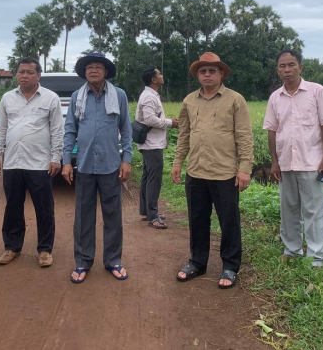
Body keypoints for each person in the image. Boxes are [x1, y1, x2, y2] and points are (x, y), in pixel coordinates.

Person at [171, 52, 254, 289]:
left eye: (212, 70)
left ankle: (230, 265)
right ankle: (197, 262)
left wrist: (245, 168)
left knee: (229, 221)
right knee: (197, 219)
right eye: (203, 71)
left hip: (225, 173)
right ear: (198, 75)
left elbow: (244, 136)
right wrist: (178, 162)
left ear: (221, 74)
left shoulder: (235, 100)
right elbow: (184, 135)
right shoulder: (189, 101)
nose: (207, 74)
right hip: (196, 171)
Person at [62, 52, 133, 284]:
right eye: (89, 67)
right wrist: (66, 161)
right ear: (85, 72)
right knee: (83, 217)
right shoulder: (77, 96)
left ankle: (113, 260)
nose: (93, 70)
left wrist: (127, 159)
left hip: (111, 165)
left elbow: (126, 129)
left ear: (106, 72)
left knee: (113, 216)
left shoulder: (118, 95)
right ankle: (83, 261)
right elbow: (70, 130)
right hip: (84, 166)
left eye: (98, 67)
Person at [263, 49, 323, 269]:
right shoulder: (275, 98)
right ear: (278, 70)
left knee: (314, 211)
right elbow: (272, 131)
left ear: (300, 67)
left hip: (311, 162)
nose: (287, 69)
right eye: (282, 66)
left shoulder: (316, 91)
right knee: (289, 209)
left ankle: (316, 257)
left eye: (291, 65)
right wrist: (274, 162)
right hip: (286, 162)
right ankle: (292, 250)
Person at [0, 57, 64, 267]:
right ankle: (12, 247)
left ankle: (45, 250)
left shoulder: (50, 98)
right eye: (21, 72)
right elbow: (0, 128)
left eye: (30, 72)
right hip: (12, 162)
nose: (24, 76)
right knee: (13, 207)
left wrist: (56, 157)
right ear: (16, 74)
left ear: (38, 75)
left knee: (44, 208)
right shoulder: (7, 98)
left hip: (39, 163)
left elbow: (57, 130)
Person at [135, 67, 178, 229]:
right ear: (154, 80)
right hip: (152, 144)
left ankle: (147, 211)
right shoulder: (148, 96)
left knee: (147, 177)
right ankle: (153, 216)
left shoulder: (150, 95)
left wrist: (167, 121)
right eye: (159, 74)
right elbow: (150, 119)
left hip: (150, 143)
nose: (162, 75)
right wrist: (170, 123)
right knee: (154, 179)